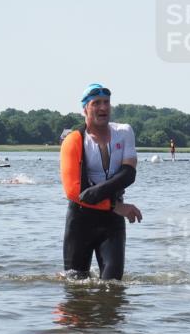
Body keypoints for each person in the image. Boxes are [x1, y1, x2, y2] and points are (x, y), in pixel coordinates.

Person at [60, 83, 142, 280]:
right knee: (75, 286)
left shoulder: (124, 132)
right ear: (85, 109)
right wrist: (115, 206)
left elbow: (128, 174)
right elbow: (74, 192)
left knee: (112, 284)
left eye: (106, 102)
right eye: (96, 103)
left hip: (111, 222)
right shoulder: (73, 140)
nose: (103, 108)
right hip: (80, 219)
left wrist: (111, 205)